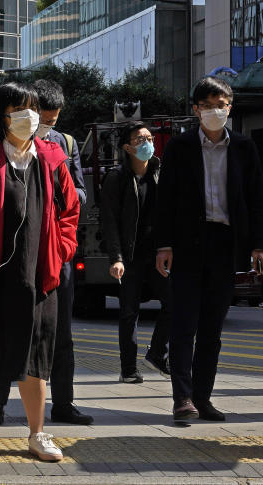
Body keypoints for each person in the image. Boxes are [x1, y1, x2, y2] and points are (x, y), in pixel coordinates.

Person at [0, 81, 80, 464]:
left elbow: (71, 212)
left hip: (40, 277)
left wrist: (61, 251)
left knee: (38, 358)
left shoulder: (53, 157)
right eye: (20, 110)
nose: (29, 117)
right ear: (1, 116)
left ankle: (37, 434)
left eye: (33, 109)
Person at [0, 79, 92, 427]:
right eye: (38, 115)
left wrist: (62, 247)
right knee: (7, 330)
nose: (42, 124)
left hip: (54, 257)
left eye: (50, 120)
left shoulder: (64, 145)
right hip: (14, 256)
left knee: (59, 334)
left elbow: (77, 198)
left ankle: (63, 402)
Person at [155, 76, 263, 422]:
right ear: (195, 109)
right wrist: (164, 244)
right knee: (184, 324)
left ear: (230, 108)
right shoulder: (179, 147)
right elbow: (166, 198)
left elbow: (256, 198)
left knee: (213, 329)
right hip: (187, 244)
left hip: (225, 244)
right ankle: (182, 399)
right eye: (208, 105)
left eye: (222, 105)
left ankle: (203, 397)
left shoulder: (244, 147)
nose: (216, 111)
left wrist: (258, 244)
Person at [100, 122, 170, 384]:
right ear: (127, 147)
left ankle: (157, 354)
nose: (147, 143)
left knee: (173, 303)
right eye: (140, 139)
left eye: (149, 138)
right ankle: (129, 368)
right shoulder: (116, 178)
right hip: (130, 256)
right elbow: (109, 221)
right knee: (129, 311)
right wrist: (116, 257)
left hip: (157, 254)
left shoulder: (159, 172)